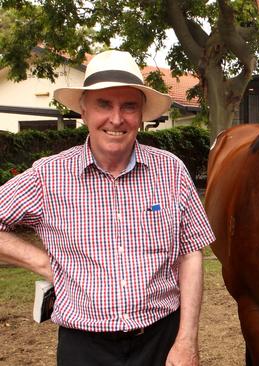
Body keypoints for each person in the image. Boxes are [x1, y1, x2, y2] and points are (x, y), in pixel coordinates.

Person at [0, 50, 216, 365]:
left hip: (160, 341)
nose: (116, 119)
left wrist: (186, 340)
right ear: (84, 111)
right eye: (104, 104)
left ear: (142, 115)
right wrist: (43, 263)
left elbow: (191, 254)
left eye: (128, 106)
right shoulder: (48, 176)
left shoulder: (171, 171)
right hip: (84, 348)